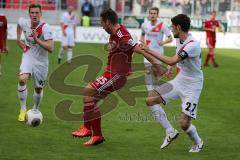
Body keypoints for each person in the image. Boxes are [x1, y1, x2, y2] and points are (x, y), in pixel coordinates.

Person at [71, 8, 162, 146]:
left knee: (88, 92)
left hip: (116, 76)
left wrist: (156, 64)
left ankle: (93, 133)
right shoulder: (116, 32)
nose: (102, 26)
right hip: (111, 72)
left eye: (102, 23)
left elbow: (139, 49)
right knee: (91, 100)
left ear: (108, 22)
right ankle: (91, 132)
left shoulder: (122, 36)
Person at [140, 14, 204, 152]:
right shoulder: (180, 39)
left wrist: (149, 50)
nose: (171, 29)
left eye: (172, 26)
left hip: (193, 85)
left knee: (184, 123)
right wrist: (171, 67)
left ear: (178, 27)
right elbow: (178, 59)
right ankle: (170, 131)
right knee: (150, 99)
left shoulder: (192, 45)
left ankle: (198, 142)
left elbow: (171, 60)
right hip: (181, 79)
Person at [141, 7, 177, 149]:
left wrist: (164, 42)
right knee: (148, 76)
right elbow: (142, 35)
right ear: (148, 14)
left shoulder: (163, 25)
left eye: (155, 13)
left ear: (157, 15)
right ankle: (153, 99)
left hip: (158, 55)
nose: (152, 15)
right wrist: (142, 42)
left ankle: (155, 101)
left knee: (155, 81)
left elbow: (170, 37)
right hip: (147, 55)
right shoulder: (144, 24)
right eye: (151, 13)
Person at [16, 3, 54, 121]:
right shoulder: (24, 22)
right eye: (32, 13)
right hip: (28, 55)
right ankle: (23, 109)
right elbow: (19, 23)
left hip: (41, 61)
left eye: (37, 13)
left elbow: (51, 48)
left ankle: (35, 109)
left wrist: (37, 40)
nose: (34, 15)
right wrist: (18, 39)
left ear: (40, 14)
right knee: (22, 79)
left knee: (38, 88)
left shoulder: (45, 27)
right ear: (29, 14)